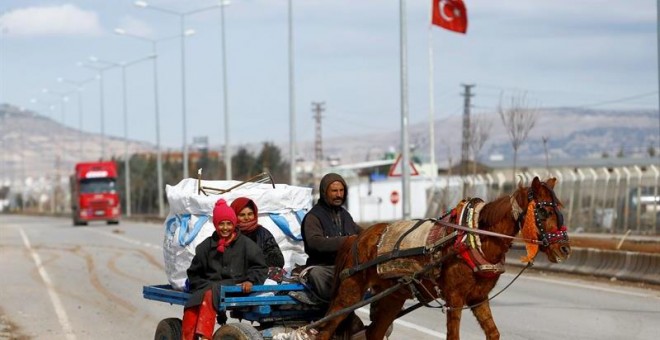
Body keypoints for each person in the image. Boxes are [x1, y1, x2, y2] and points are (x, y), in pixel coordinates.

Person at [182, 198, 268, 340]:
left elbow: (259, 267)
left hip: (235, 287)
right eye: (221, 224)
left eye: (229, 223)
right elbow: (194, 273)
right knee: (192, 306)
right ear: (216, 225)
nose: (225, 227)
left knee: (210, 295)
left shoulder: (246, 245)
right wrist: (203, 286)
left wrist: (251, 281)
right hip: (209, 287)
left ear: (234, 224)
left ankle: (205, 337)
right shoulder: (205, 247)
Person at [300, 173, 360, 303]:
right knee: (317, 274)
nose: (339, 194)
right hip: (325, 267)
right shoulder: (313, 217)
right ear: (324, 192)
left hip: (347, 266)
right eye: (334, 191)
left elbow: (360, 233)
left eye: (341, 190)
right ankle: (331, 307)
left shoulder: (345, 215)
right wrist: (347, 241)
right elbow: (315, 243)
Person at [230, 197, 286, 282]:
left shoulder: (262, 233)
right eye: (242, 215)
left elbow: (278, 259)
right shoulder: (229, 234)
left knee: (277, 272)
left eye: (250, 214)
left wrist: (256, 263)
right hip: (236, 274)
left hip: (259, 273)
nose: (247, 218)